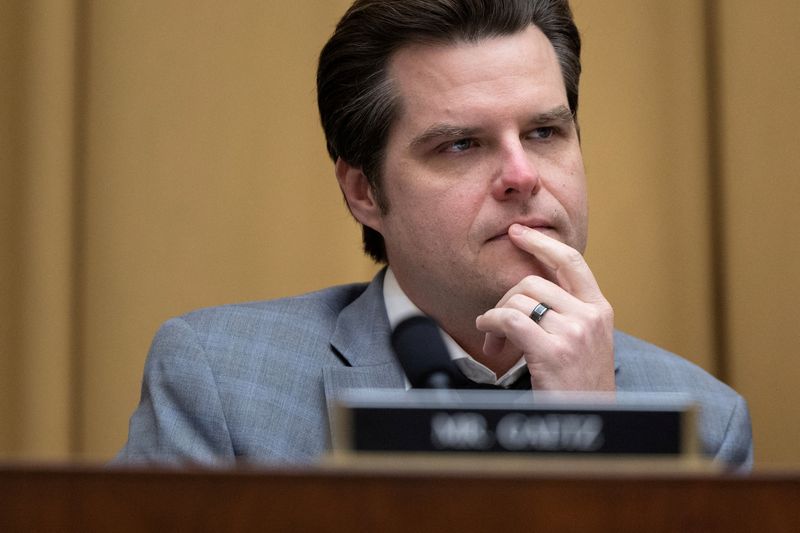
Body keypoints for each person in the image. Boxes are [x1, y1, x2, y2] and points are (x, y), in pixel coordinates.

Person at [116, 0, 752, 468]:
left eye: (543, 132)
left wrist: (595, 441)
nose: (522, 176)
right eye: (460, 144)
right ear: (365, 191)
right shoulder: (223, 384)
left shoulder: (706, 425)